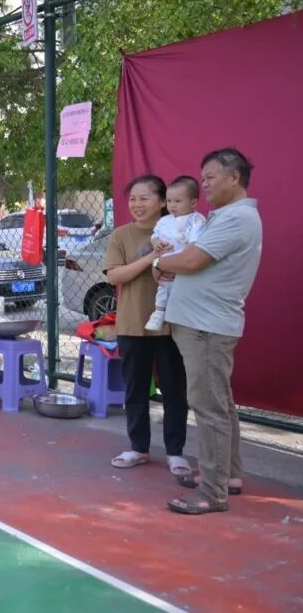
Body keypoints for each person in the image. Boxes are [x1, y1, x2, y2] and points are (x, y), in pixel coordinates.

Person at [157, 148, 262, 515]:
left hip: (205, 326)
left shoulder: (235, 219)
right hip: (204, 323)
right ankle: (227, 476)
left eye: (210, 178)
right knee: (219, 402)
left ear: (234, 177)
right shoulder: (228, 217)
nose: (204, 185)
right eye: (202, 179)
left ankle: (213, 491)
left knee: (209, 406)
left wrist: (158, 261)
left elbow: (192, 260)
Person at [104, 175, 191, 479]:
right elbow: (114, 276)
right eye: (133, 199)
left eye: (145, 198)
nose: (137, 204)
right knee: (135, 388)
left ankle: (175, 452)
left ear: (162, 201)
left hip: (172, 324)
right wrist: (153, 258)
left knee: (175, 390)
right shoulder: (121, 235)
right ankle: (138, 447)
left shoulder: (179, 229)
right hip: (133, 324)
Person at [145, 176, 205, 331]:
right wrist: (157, 244)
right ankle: (159, 313)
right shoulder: (164, 221)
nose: (172, 205)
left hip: (185, 262)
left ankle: (184, 314)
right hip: (165, 260)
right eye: (169, 201)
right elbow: (155, 236)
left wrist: (180, 261)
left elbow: (194, 244)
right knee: (163, 287)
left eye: (178, 201)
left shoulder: (196, 220)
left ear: (193, 202)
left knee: (185, 291)